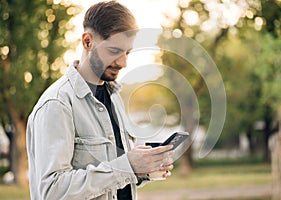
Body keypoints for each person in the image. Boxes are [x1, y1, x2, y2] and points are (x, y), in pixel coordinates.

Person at [26, 1, 174, 200]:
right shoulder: (57, 104)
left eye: (127, 52)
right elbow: (52, 191)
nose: (123, 63)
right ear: (87, 42)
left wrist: (143, 169)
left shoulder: (114, 97)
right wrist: (127, 166)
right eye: (114, 51)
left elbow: (113, 179)